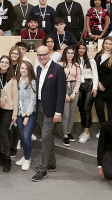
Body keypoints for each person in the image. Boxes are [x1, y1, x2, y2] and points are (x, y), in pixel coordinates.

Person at [30, 45, 67, 182]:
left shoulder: (58, 69)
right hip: (40, 106)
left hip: (52, 110)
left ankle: (43, 169)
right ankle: (51, 163)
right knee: (48, 136)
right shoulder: (39, 68)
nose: (42, 57)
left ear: (49, 54)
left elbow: (61, 93)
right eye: (39, 55)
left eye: (44, 54)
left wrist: (58, 112)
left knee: (45, 137)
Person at [0, 55, 17, 172]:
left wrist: (14, 114)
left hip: (8, 110)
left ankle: (7, 159)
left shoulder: (13, 79)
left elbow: (15, 97)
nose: (4, 64)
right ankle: (1, 155)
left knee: (4, 133)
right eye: (2, 62)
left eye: (6, 62)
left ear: (9, 65)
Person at [14, 61, 37, 171]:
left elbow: (33, 100)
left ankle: (28, 159)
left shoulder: (32, 82)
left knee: (27, 137)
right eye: (21, 68)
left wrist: (27, 116)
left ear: (29, 70)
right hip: (19, 113)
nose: (23, 70)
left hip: (29, 114)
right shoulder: (17, 81)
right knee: (22, 137)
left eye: (25, 69)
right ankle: (25, 156)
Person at [74, 41, 98, 143]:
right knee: (80, 108)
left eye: (83, 48)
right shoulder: (73, 60)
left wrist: (95, 87)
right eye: (79, 48)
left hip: (89, 85)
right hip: (77, 85)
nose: (81, 50)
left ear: (86, 49)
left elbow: (95, 74)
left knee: (86, 108)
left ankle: (86, 132)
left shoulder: (91, 60)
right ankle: (84, 130)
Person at [94, 37, 112, 124]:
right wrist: (98, 84)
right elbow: (94, 71)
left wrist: (104, 85)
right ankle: (102, 128)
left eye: (110, 44)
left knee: (111, 111)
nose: (108, 46)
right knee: (99, 108)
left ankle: (109, 130)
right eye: (106, 43)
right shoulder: (98, 55)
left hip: (111, 88)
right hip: (99, 87)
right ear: (103, 44)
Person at [59, 46, 81, 146]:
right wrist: (64, 94)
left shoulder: (76, 64)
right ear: (65, 53)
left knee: (72, 113)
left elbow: (78, 79)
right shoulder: (60, 64)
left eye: (72, 53)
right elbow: (58, 80)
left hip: (74, 89)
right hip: (64, 88)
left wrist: (74, 92)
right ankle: (65, 135)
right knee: (66, 114)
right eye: (68, 53)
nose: (70, 55)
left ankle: (69, 132)